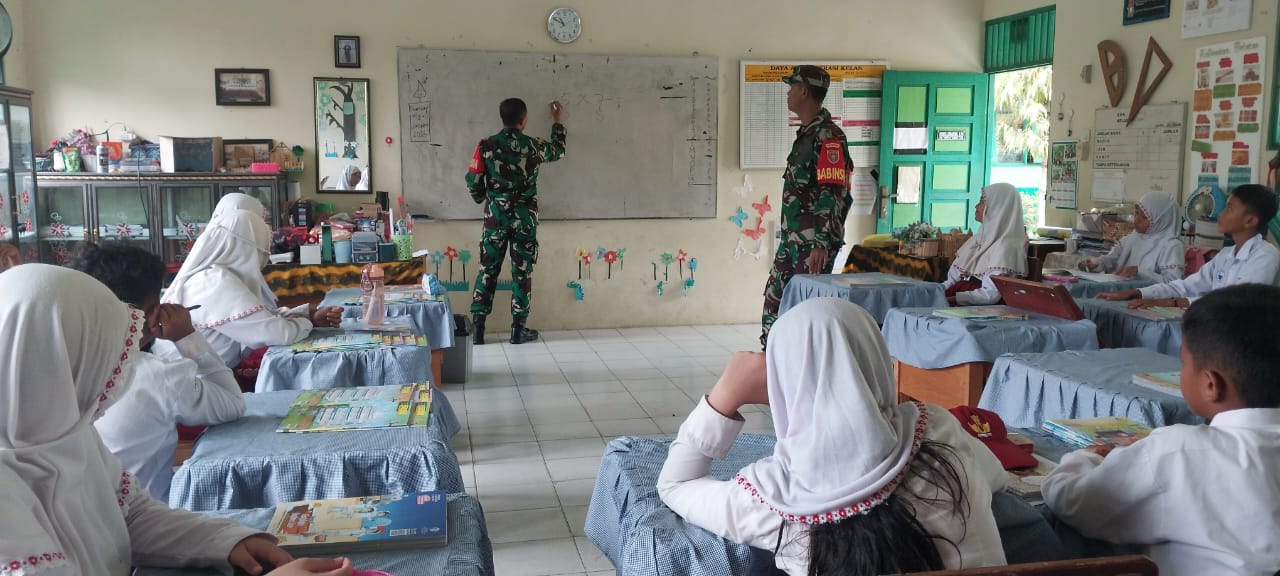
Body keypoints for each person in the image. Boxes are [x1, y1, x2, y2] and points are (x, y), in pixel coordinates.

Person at [0, 264, 353, 576]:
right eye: (102, 364)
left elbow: (132, 516)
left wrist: (226, 540)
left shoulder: (69, 435)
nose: (115, 383)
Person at [659, 298, 1007, 575]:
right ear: (878, 360)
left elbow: (675, 485)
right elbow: (998, 477)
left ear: (785, 382)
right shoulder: (938, 431)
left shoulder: (775, 499)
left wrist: (726, 395)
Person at [1041, 284, 1280, 576]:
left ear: (1210, 384)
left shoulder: (1178, 453)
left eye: (1184, 363)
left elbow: (1073, 502)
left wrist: (1085, 458)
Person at [68, 243, 246, 501]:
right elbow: (233, 405)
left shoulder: (47, 369)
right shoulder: (158, 376)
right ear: (154, 314)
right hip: (143, 514)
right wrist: (187, 337)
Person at [157, 208, 344, 367]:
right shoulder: (213, 282)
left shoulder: (213, 275)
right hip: (190, 383)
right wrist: (307, 323)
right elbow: (277, 333)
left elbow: (260, 317)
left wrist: (308, 315)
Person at [760, 65, 854, 348]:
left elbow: (832, 192)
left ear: (803, 91)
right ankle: (772, 359)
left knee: (805, 311)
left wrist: (821, 244)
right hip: (793, 239)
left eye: (792, 88)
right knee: (775, 303)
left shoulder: (829, 137)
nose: (788, 93)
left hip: (813, 244)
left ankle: (802, 365)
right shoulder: (807, 134)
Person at [466, 98, 566, 345]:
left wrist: (484, 198)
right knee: (521, 273)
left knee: (488, 271)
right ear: (524, 120)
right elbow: (558, 150)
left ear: (503, 118)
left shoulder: (487, 145)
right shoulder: (532, 146)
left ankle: (478, 330)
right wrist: (557, 122)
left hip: (495, 220)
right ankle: (517, 330)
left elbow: (473, 179)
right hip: (524, 220)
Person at [1098, 184, 1280, 308]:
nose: (1220, 214)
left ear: (1250, 220)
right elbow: (1185, 286)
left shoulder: (1265, 256)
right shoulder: (1226, 255)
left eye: (1229, 208)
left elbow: (1236, 303)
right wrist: (1137, 292)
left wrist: (1171, 303)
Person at [943, 183, 1027, 306]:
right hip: (957, 297)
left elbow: (989, 295)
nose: (976, 206)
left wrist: (951, 299)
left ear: (998, 208)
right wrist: (937, 291)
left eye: (982, 201)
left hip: (977, 307)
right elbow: (952, 280)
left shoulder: (1005, 248)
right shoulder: (976, 240)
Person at [1080, 190, 1184, 281]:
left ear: (1161, 221)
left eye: (1144, 217)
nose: (1137, 220)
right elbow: (1111, 259)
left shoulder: (1171, 246)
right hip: (1123, 291)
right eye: (1137, 213)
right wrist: (1097, 263)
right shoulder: (1132, 238)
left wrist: (1140, 272)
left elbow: (1174, 284)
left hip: (1147, 296)